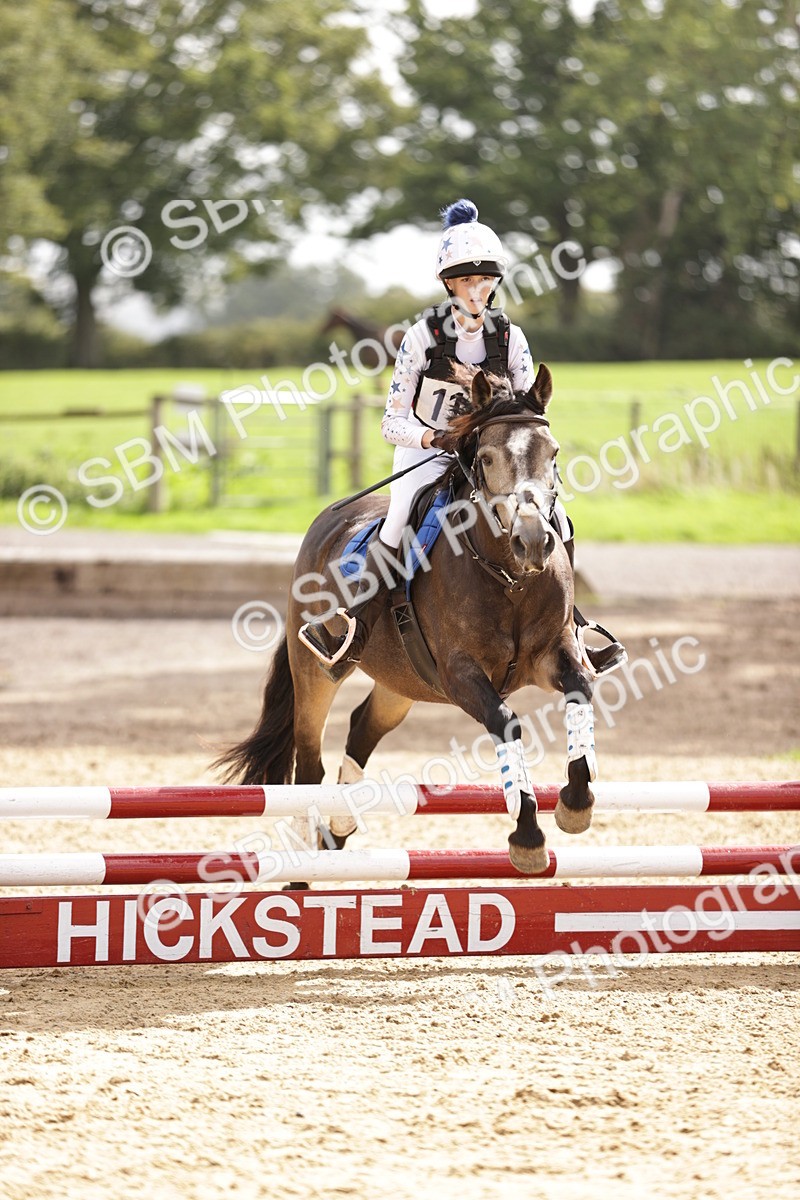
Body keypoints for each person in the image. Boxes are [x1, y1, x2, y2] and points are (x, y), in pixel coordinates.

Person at [300, 198, 625, 680]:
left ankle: (570, 630)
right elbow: (391, 422)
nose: (477, 289)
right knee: (398, 522)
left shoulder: (510, 338)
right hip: (427, 454)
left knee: (559, 518)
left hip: (492, 459)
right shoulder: (421, 338)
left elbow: (527, 409)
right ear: (449, 283)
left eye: (485, 279)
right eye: (467, 280)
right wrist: (435, 438)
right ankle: (353, 631)